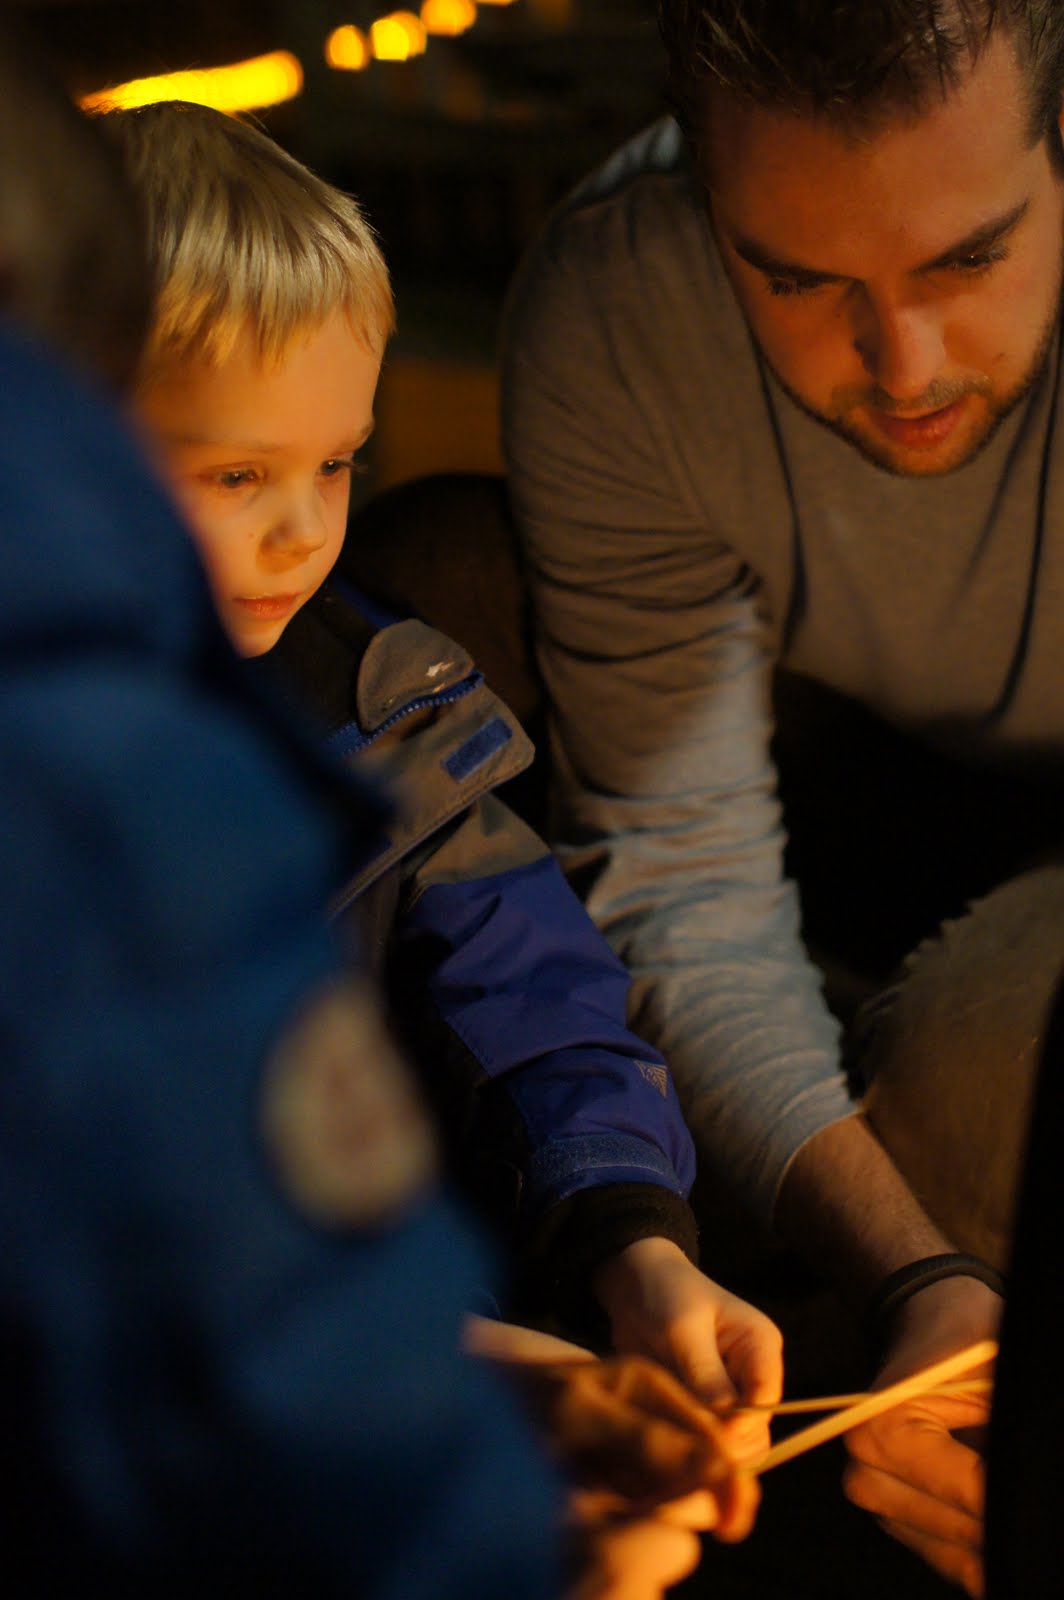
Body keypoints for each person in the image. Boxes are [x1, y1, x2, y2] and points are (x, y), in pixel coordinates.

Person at [0, 23, 752, 1597]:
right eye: (227, 477)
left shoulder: (387, 709)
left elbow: (537, 997)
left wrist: (638, 1242)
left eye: (335, 466)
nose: (298, 539)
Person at [499, 2, 1064, 1594]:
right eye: (800, 278)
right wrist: (916, 1274)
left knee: (971, 1071)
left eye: (967, 259)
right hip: (866, 781)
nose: (905, 366)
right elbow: (680, 880)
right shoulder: (625, 305)